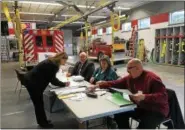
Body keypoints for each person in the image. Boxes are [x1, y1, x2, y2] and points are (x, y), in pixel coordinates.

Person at [88, 58, 169, 129]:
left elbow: (163, 97)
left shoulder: (152, 78)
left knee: (145, 125)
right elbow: (116, 83)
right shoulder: (130, 77)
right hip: (140, 107)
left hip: (156, 110)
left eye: (129, 68)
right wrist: (98, 85)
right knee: (119, 114)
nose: (127, 71)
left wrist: (144, 97)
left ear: (138, 68)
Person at [23, 52, 70, 128]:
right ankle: (43, 123)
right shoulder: (53, 65)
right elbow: (53, 80)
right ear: (61, 58)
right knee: (38, 104)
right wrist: (64, 84)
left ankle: (42, 120)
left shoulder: (51, 61)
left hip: (31, 80)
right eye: (65, 60)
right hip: (33, 83)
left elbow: (50, 77)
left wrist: (61, 83)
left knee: (39, 103)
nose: (65, 62)